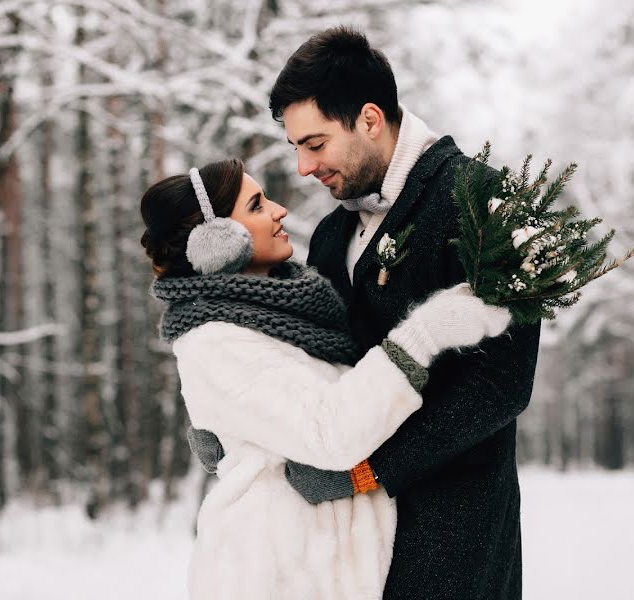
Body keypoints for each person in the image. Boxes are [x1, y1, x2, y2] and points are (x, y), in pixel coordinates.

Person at [192, 27, 542, 599]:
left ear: (370, 119)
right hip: (343, 547)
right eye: (296, 147)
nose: (304, 167)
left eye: (315, 143)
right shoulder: (332, 234)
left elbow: (501, 385)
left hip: (451, 532)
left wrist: (368, 472)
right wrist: (230, 415)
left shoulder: (479, 201)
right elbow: (310, 358)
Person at [140, 158, 512, 600]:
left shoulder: (282, 315)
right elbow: (330, 431)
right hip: (273, 574)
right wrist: (424, 333)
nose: (279, 210)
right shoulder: (216, 339)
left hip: (319, 569)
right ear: (218, 242)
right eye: (257, 205)